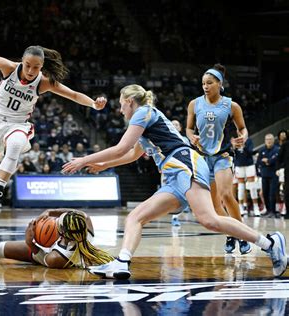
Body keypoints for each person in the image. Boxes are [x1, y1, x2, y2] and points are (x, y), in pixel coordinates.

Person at [62, 84, 287, 279]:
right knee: (136, 217)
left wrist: (84, 160)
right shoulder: (145, 122)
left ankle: (270, 243)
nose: (120, 110)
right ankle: (122, 261)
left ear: (130, 101)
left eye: (121, 104)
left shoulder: (143, 112)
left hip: (184, 162)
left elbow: (121, 148)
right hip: (173, 174)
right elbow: (132, 154)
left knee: (209, 219)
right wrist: (103, 165)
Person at [0, 45, 107, 216]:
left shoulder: (43, 82)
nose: (31, 70)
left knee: (15, 143)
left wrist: (93, 104)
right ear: (22, 61)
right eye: (28, 65)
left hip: (18, 124)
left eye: (36, 67)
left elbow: (74, 95)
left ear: (42, 66)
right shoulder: (9, 68)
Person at [186, 64, 251, 255]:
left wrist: (243, 137)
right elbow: (189, 128)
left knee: (225, 195)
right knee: (214, 206)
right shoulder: (194, 104)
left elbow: (242, 128)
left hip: (223, 155)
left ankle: (244, 235)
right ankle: (232, 234)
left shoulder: (231, 105)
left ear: (219, 84)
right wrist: (191, 137)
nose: (205, 86)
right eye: (203, 83)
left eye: (209, 83)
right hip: (203, 158)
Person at [0, 209, 114, 268]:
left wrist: (30, 241)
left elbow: (38, 256)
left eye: (57, 222)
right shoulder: (84, 225)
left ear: (62, 232)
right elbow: (81, 214)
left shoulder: (58, 259)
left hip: (44, 254)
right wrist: (51, 212)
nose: (54, 221)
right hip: (51, 250)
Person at [233, 137, 261, 217]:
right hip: (239, 165)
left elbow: (250, 152)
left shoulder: (249, 140)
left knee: (252, 187)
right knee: (241, 187)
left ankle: (256, 207)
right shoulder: (235, 140)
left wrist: (243, 145)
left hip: (249, 164)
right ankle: (240, 207)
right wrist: (234, 147)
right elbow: (233, 153)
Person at [257, 133, 280, 218]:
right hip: (264, 174)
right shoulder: (262, 150)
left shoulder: (277, 149)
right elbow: (259, 161)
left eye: (270, 139)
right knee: (265, 193)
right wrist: (267, 161)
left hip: (274, 174)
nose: (269, 141)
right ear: (265, 141)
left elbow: (275, 159)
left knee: (272, 193)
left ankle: (273, 211)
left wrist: (268, 161)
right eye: (267, 139)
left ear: (273, 140)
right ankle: (268, 210)